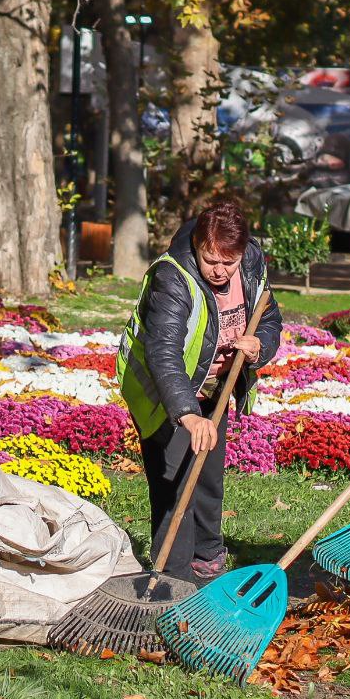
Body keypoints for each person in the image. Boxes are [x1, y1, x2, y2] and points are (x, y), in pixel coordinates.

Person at [117, 199, 283, 582]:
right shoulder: (172, 278)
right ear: (197, 245)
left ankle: (207, 558)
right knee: (174, 482)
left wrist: (259, 346)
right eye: (212, 261)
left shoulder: (253, 263)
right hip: (165, 392)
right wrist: (188, 414)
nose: (221, 271)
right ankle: (172, 578)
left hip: (216, 385)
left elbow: (269, 316)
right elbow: (163, 354)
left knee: (208, 475)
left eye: (230, 262)